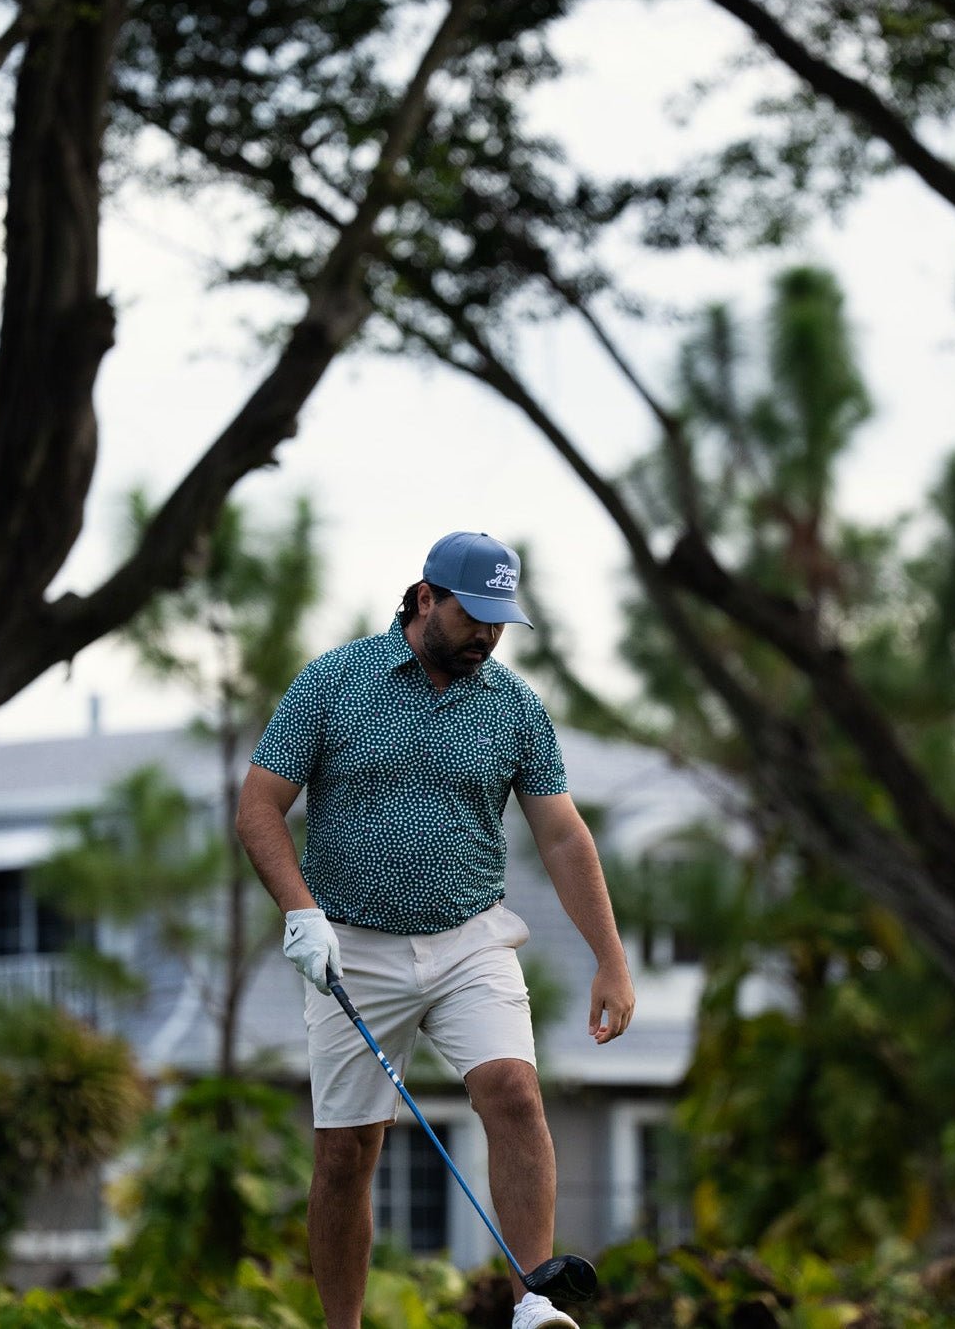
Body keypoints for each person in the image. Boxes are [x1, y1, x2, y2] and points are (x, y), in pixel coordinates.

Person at [236, 529, 635, 1329]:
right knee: (347, 1154)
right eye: (472, 614)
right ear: (425, 597)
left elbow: (561, 835)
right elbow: (258, 807)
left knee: (514, 1092)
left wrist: (609, 957)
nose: (486, 634)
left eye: (498, 619)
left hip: (469, 937)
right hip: (351, 945)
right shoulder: (334, 682)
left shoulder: (514, 705)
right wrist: (300, 912)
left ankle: (536, 1305)